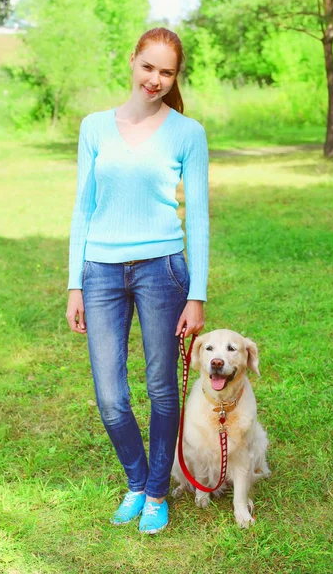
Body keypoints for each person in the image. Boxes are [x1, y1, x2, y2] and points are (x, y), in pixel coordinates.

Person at [66, 28, 209, 534]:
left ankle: (155, 492)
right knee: (110, 395)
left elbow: (199, 220)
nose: (155, 79)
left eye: (166, 72)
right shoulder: (94, 127)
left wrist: (197, 294)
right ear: (133, 62)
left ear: (175, 77)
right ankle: (136, 480)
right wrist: (74, 284)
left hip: (163, 271)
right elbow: (83, 207)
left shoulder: (187, 133)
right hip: (100, 272)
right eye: (148, 67)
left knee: (160, 387)